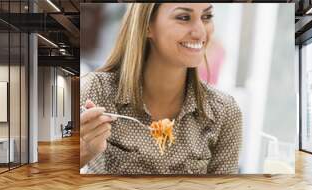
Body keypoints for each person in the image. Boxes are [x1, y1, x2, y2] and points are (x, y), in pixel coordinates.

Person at [80, 3, 242, 174]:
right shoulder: (98, 91)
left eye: (206, 17)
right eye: (184, 18)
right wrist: (81, 153)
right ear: (148, 25)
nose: (201, 32)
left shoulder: (225, 112)